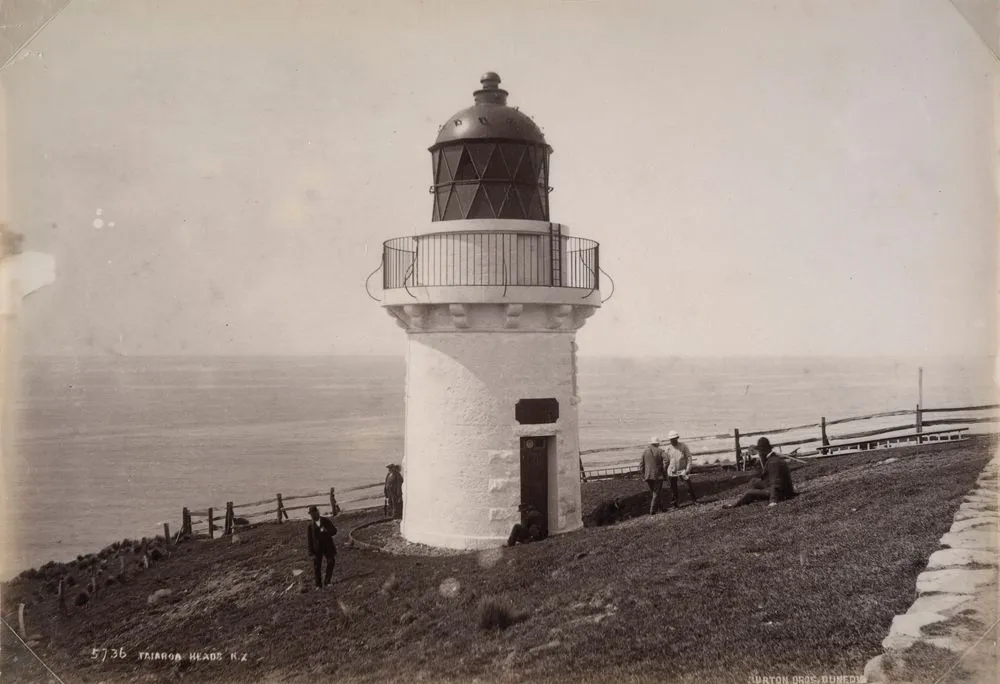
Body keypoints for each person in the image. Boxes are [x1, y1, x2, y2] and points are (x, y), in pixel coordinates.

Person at [724, 437, 797, 508]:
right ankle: (753, 496)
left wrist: (773, 501)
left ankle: (734, 506)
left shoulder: (773, 462)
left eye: (760, 452)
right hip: (782, 489)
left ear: (763, 451)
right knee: (753, 481)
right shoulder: (773, 458)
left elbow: (775, 483)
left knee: (749, 493)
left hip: (783, 494)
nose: (759, 454)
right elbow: (768, 476)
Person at [665, 430, 699, 507]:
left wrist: (688, 469)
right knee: (673, 488)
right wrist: (665, 471)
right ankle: (675, 504)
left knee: (688, 486)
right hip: (672, 471)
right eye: (671, 439)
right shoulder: (667, 449)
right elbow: (665, 461)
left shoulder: (683, 446)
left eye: (674, 438)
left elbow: (689, 457)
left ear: (677, 438)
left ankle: (694, 501)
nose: (673, 440)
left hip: (683, 470)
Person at [306, 505, 338, 588]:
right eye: (311, 514)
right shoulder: (310, 526)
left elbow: (334, 531)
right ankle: (318, 585)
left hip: (327, 545)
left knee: (331, 562)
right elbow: (310, 540)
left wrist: (326, 530)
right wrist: (310, 551)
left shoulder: (325, 521)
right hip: (317, 548)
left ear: (317, 512)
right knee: (317, 567)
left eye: (314, 513)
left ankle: (327, 581)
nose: (312, 515)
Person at [639, 436, 667, 515]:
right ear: (657, 443)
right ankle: (652, 511)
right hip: (658, 475)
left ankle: (662, 509)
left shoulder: (645, 452)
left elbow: (641, 465)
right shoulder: (660, 451)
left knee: (655, 492)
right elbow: (667, 460)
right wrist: (663, 469)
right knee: (656, 493)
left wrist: (643, 475)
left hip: (648, 476)